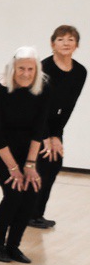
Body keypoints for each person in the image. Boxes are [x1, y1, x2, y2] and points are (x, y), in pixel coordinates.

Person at [0, 48, 49, 264]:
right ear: (13, 68)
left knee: (31, 192)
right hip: (0, 149)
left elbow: (39, 129)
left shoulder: (43, 88)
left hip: (27, 149)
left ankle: (13, 246)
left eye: (30, 69)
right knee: (13, 192)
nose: (25, 73)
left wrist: (30, 164)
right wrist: (14, 168)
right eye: (21, 68)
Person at [32, 25, 85, 229]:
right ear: (52, 44)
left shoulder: (80, 71)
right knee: (40, 165)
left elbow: (69, 106)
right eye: (61, 39)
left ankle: (37, 213)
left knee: (53, 164)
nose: (66, 43)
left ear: (76, 45)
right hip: (35, 122)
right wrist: (44, 136)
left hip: (54, 125)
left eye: (70, 39)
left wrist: (56, 135)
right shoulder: (44, 68)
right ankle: (27, 214)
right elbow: (38, 105)